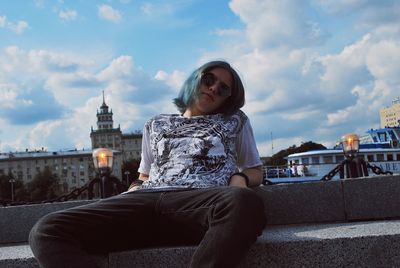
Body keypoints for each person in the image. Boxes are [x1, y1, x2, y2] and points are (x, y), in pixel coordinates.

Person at [29, 60, 266, 268]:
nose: (214, 87)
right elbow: (145, 175)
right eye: (208, 79)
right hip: (146, 198)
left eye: (223, 89)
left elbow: (255, 168)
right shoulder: (155, 123)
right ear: (195, 80)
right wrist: (132, 190)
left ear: (228, 99)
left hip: (199, 201)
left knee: (244, 202)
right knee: (46, 230)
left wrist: (241, 178)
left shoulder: (235, 121)